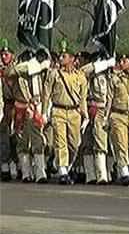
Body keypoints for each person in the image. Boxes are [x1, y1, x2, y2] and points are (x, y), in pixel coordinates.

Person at [42, 39, 89, 185]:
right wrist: (44, 112)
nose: (61, 59)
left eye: (65, 56)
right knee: (60, 141)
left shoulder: (80, 76)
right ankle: (63, 171)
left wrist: (85, 115)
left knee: (74, 144)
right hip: (58, 111)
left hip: (74, 113)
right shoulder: (54, 74)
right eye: (61, 56)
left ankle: (65, 166)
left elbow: (83, 97)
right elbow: (46, 93)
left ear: (72, 59)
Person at [9, 49, 50, 183]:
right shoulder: (20, 71)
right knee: (22, 142)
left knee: (38, 140)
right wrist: (29, 65)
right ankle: (26, 173)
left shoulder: (40, 72)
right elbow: (10, 72)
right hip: (21, 108)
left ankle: (40, 173)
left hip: (35, 107)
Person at [106, 54, 129, 186]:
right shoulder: (115, 78)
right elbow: (109, 98)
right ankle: (125, 172)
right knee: (121, 145)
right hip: (117, 115)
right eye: (121, 61)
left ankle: (126, 165)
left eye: (125, 61)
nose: (121, 63)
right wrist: (106, 117)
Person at [80, 53, 116, 184]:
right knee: (87, 143)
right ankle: (90, 174)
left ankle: (103, 174)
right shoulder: (88, 73)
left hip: (103, 110)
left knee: (101, 143)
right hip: (88, 109)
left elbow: (111, 96)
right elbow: (84, 70)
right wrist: (102, 64)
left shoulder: (109, 75)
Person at [0, 40, 16, 181]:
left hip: (16, 106)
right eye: (2, 54)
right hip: (4, 106)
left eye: (6, 54)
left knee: (16, 137)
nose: (4, 57)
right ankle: (5, 167)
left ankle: (19, 167)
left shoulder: (16, 69)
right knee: (4, 137)